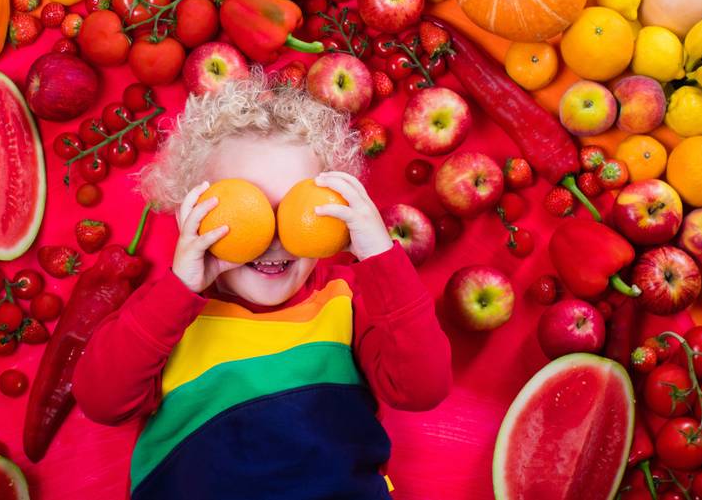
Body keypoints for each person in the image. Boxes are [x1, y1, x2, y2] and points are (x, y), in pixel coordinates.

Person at [73, 70, 451, 500]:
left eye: (295, 207)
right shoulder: (167, 313)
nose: (271, 237)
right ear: (190, 211)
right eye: (245, 208)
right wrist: (179, 289)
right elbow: (100, 401)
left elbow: (425, 387)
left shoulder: (346, 301)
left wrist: (380, 259)